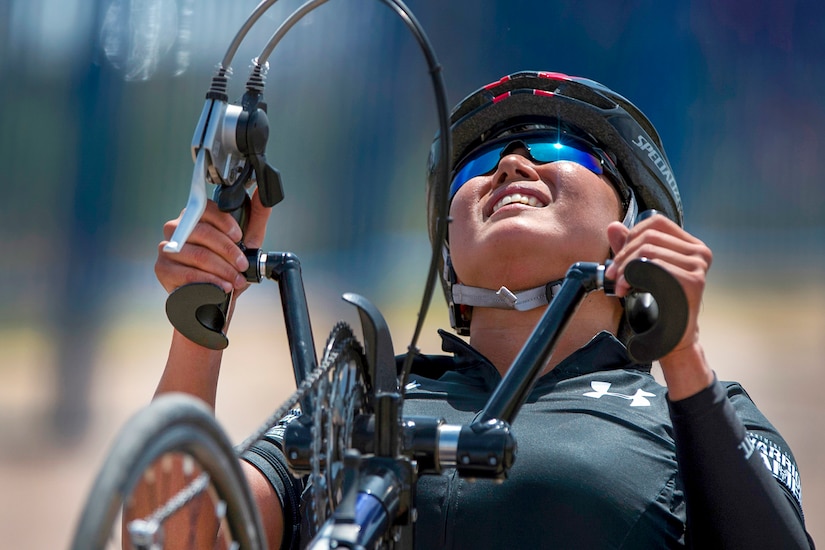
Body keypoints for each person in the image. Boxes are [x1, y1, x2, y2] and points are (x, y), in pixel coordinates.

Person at [153, 71, 814, 548]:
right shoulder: (358, 397)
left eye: (560, 149)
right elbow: (173, 534)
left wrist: (684, 357)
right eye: (476, 166)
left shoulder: (694, 412)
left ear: (635, 224)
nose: (511, 164)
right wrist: (201, 313)